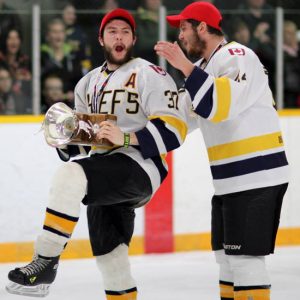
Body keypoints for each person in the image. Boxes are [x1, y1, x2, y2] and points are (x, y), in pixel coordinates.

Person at [6, 8, 187, 299]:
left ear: (133, 39)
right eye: (112, 31)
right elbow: (86, 144)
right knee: (111, 261)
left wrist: (127, 136)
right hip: (104, 172)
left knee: (71, 176)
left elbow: (173, 130)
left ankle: (46, 260)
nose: (119, 36)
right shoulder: (86, 83)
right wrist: (64, 142)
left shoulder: (150, 73)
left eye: (125, 32)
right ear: (101, 39)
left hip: (140, 169)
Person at [155, 2, 289, 300]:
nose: (180, 37)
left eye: (183, 28)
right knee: (226, 260)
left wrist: (184, 68)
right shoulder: (203, 68)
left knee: (245, 262)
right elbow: (181, 119)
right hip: (231, 182)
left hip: (259, 178)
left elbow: (219, 106)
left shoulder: (237, 56)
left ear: (202, 27)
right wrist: (122, 133)